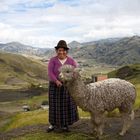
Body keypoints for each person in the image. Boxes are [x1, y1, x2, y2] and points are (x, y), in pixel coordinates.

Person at [47, 40, 79, 132]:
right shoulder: (53, 60)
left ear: (66, 51)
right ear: (57, 51)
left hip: (67, 86)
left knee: (66, 105)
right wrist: (56, 81)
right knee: (54, 106)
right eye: (59, 50)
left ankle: (65, 125)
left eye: (63, 50)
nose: (61, 52)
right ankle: (53, 124)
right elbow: (50, 72)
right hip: (54, 86)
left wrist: (71, 81)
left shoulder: (71, 61)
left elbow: (74, 72)